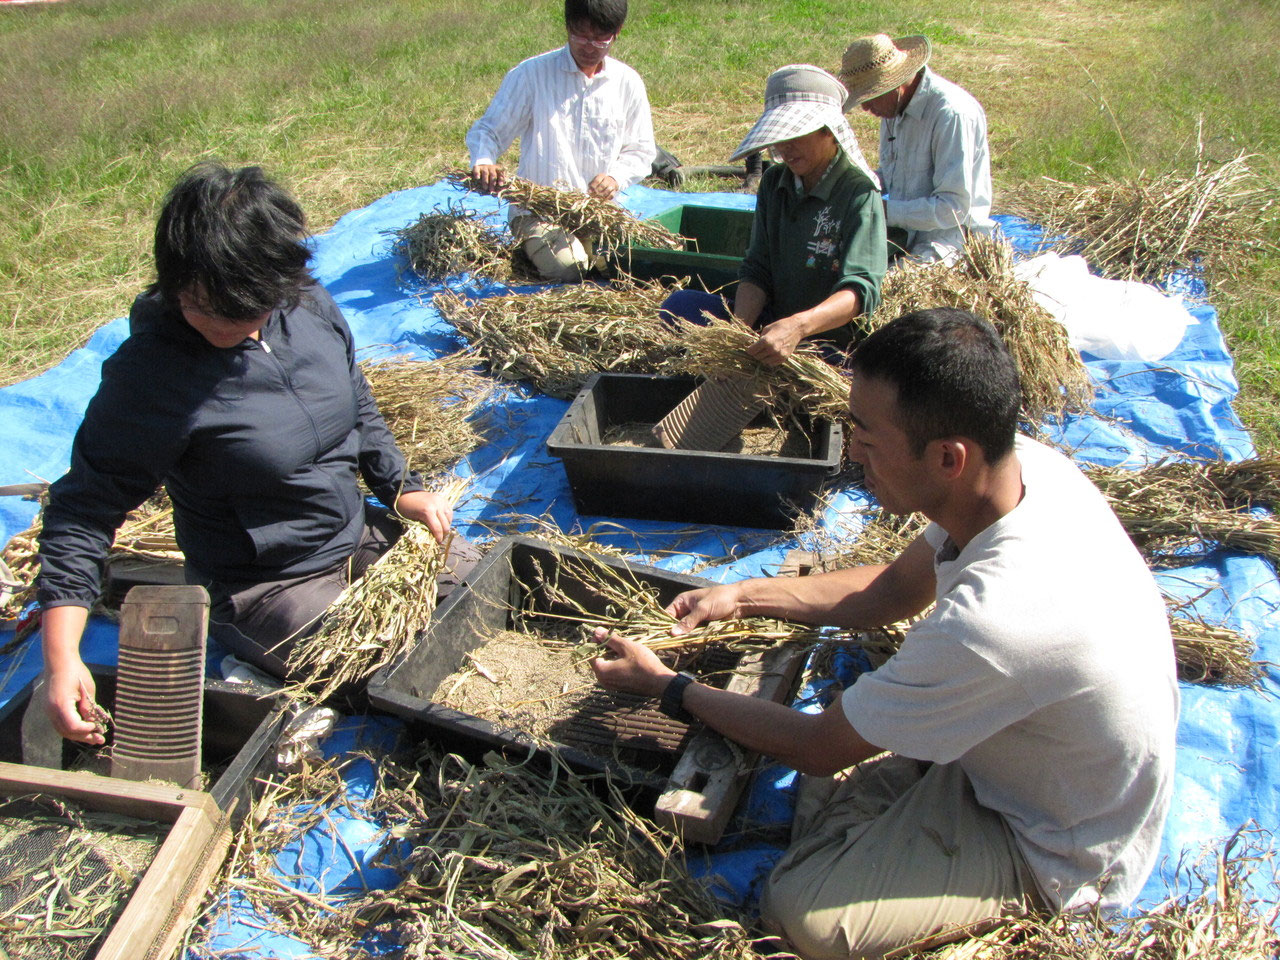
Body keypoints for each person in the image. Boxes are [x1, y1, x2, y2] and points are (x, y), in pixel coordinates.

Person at [592, 307, 1179, 959]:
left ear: (948, 457)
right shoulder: (1021, 470)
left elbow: (816, 747)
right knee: (848, 751)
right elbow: (892, 592)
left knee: (801, 915)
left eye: (868, 440)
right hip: (1019, 758)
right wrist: (742, 595)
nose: (852, 456)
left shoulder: (998, 620)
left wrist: (671, 688)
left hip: (1052, 838)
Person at [37, 162, 461, 744]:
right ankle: (253, 661)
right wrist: (62, 659)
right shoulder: (153, 377)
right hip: (268, 585)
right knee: (412, 672)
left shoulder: (305, 304)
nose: (219, 323)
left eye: (243, 310)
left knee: (479, 595)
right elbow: (82, 511)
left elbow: (354, 395)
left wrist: (401, 486)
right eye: (200, 306)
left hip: (359, 530)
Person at [658, 65, 886, 366]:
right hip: (770, 324)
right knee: (679, 306)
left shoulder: (858, 194)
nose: (784, 148)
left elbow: (859, 290)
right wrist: (736, 333)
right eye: (780, 137)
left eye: (797, 135)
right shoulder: (774, 182)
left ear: (828, 132)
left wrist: (797, 328)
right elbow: (758, 269)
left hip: (826, 341)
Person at [466, 0, 656, 282]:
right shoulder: (531, 75)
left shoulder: (626, 82)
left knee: (633, 267)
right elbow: (490, 129)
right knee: (571, 269)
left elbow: (641, 150)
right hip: (537, 210)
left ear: (617, 33)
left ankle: (589, 252)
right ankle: (540, 248)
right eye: (581, 35)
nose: (589, 46)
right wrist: (484, 160)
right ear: (567, 27)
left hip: (596, 211)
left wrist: (616, 177)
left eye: (600, 38)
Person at [840, 34, 994, 263]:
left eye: (870, 97)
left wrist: (881, 210)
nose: (865, 107)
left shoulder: (952, 114)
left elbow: (953, 208)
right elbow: (893, 172)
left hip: (952, 242)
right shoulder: (893, 107)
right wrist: (853, 187)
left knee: (877, 290)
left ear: (895, 84)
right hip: (905, 234)